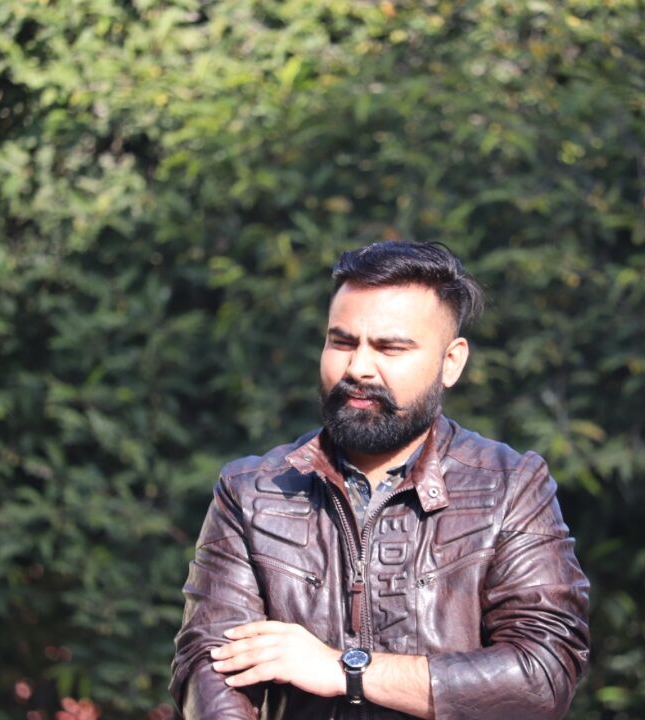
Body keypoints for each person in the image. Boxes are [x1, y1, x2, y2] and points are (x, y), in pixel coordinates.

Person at [170, 241, 590, 719]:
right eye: (342, 342)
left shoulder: (510, 486)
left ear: (451, 362)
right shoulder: (253, 491)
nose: (358, 368)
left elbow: (543, 676)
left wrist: (347, 670)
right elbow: (210, 663)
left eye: (391, 348)